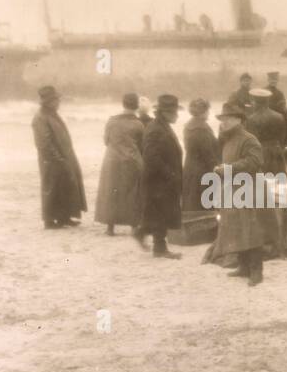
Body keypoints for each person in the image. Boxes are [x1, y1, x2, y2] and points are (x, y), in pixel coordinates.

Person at [212, 100, 267, 286]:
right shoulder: (227, 139)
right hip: (233, 188)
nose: (224, 122)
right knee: (237, 227)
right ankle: (243, 266)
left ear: (238, 120)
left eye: (227, 118)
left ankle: (257, 271)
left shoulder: (249, 139)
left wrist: (228, 168)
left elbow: (254, 162)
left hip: (249, 189)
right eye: (222, 118)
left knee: (251, 229)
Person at [30, 85, 86, 229]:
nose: (59, 102)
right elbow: (44, 143)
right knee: (51, 187)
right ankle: (49, 221)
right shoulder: (40, 117)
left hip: (62, 156)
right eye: (56, 100)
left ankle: (63, 217)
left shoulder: (51, 114)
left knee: (64, 185)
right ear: (49, 101)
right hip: (50, 159)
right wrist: (58, 158)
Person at [139, 94, 185, 259]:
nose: (177, 115)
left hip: (162, 179)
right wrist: (170, 174)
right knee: (161, 212)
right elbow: (151, 157)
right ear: (164, 112)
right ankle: (158, 247)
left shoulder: (161, 125)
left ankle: (146, 236)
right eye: (174, 112)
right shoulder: (155, 129)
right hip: (158, 180)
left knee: (159, 212)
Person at [94, 92, 145, 237]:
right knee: (133, 193)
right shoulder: (138, 124)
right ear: (136, 106)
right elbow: (141, 145)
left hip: (112, 161)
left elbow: (106, 141)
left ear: (123, 104)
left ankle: (110, 228)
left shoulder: (111, 121)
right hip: (132, 160)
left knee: (112, 192)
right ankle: (134, 226)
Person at [182, 97, 219, 214]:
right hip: (202, 170)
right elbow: (208, 153)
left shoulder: (188, 126)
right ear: (202, 112)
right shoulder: (202, 129)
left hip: (189, 167)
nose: (208, 113)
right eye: (207, 110)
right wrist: (217, 168)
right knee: (203, 200)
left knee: (191, 199)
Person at [246, 88, 287, 174]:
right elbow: (282, 137)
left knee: (262, 183)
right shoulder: (279, 116)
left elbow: (252, 140)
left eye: (253, 102)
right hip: (277, 152)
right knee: (278, 181)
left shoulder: (252, 119)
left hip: (261, 153)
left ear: (256, 102)